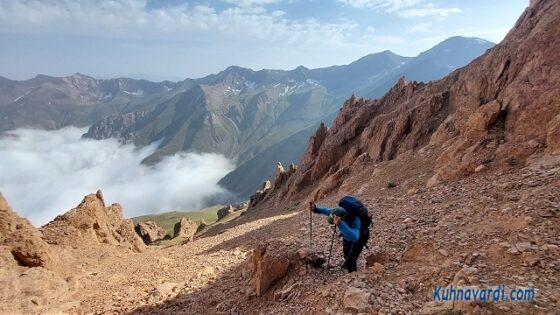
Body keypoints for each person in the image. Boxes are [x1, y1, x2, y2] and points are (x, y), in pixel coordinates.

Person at [309, 201, 369, 272]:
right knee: (346, 252)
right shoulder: (336, 211)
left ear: (341, 218)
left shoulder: (355, 220)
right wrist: (315, 209)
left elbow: (355, 238)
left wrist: (340, 224)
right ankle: (347, 263)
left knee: (351, 259)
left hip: (360, 237)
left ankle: (353, 275)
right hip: (346, 236)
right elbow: (326, 211)